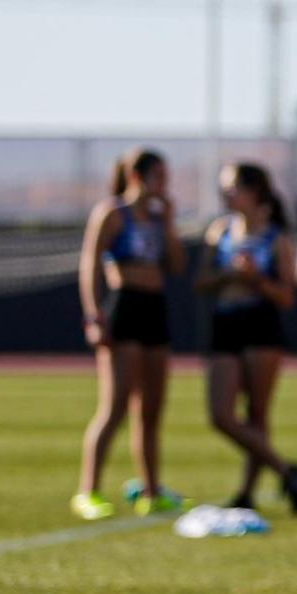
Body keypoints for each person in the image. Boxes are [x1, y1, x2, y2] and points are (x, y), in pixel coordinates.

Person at [72, 149, 188, 519]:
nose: (164, 184)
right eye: (158, 176)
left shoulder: (157, 217)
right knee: (116, 405)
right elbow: (90, 263)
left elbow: (176, 265)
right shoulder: (113, 212)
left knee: (152, 408)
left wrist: (169, 223)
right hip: (125, 308)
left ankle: (152, 490)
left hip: (154, 309)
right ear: (138, 176)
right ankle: (88, 490)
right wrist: (93, 315)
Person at [197, 162, 297, 516]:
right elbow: (201, 281)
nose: (226, 194)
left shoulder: (276, 239)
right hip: (226, 321)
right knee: (220, 414)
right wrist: (229, 275)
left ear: (253, 192)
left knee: (257, 413)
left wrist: (257, 279)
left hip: (261, 325)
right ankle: (285, 469)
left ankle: (246, 492)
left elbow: (288, 296)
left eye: (232, 188)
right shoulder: (220, 231)